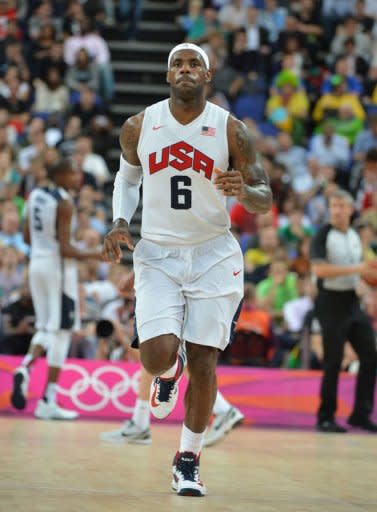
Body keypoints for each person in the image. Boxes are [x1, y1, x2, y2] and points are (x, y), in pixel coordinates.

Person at [102, 42, 272, 497]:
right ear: (167, 76)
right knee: (156, 357)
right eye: (177, 63)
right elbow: (127, 178)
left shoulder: (231, 130)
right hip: (158, 252)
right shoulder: (140, 125)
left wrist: (245, 192)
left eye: (194, 63)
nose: (185, 69)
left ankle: (188, 459)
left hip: (214, 254)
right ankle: (167, 372)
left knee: (205, 359)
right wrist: (120, 221)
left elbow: (264, 193)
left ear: (208, 76)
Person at [100, 273, 245, 447]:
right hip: (191, 279)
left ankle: (222, 409)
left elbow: (159, 245)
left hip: (170, 279)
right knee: (157, 349)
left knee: (161, 346)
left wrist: (134, 274)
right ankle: (140, 423)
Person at [10, 159, 102, 420]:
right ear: (59, 174)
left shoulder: (35, 195)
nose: (77, 177)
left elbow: (27, 236)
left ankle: (28, 371)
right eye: (72, 172)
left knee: (45, 327)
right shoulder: (63, 202)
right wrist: (98, 254)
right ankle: (46, 395)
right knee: (60, 330)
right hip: (58, 270)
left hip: (36, 264)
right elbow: (65, 248)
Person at [310, 189, 377, 433]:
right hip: (330, 303)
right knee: (333, 361)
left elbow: (360, 270)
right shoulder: (322, 235)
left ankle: (361, 413)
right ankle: (325, 417)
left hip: (351, 301)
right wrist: (357, 268)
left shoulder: (353, 236)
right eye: (334, 206)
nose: (337, 211)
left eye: (342, 206)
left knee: (370, 354)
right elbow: (319, 271)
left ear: (350, 209)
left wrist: (363, 281)